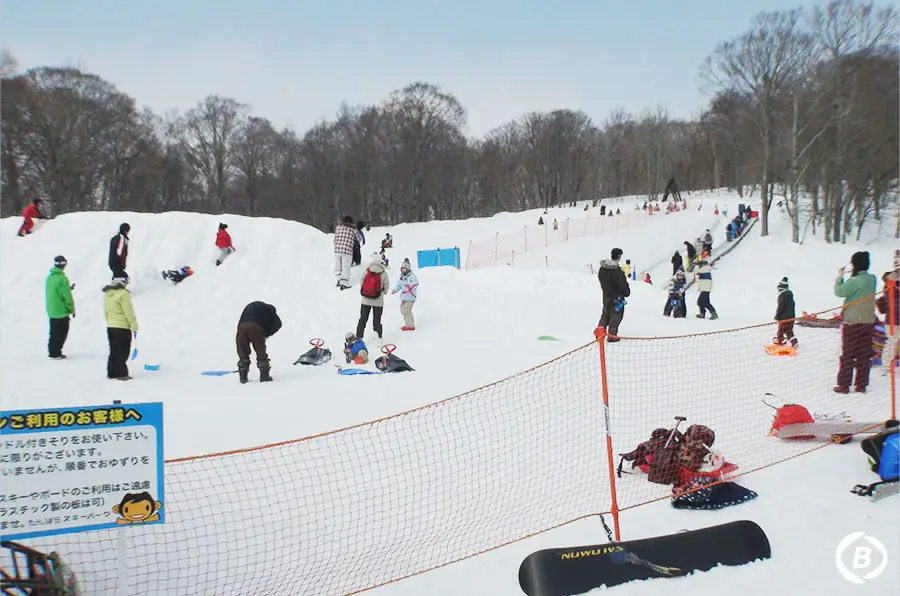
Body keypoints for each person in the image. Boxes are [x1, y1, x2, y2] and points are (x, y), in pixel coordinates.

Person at [834, 251, 877, 393]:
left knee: (848, 354)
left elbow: (839, 292)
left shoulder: (855, 281)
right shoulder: (872, 279)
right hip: (868, 321)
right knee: (864, 353)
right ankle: (861, 384)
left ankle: (844, 385)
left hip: (852, 322)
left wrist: (839, 277)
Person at [236, 301, 282, 384]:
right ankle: (264, 376)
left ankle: (243, 377)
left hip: (241, 327)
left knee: (242, 351)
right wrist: (266, 334)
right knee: (260, 352)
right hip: (256, 328)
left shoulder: (253, 306)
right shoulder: (271, 312)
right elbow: (278, 324)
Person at [103, 277, 138, 380]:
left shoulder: (107, 294)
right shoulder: (123, 294)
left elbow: (106, 311)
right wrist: (134, 325)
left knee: (114, 350)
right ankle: (121, 373)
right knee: (122, 351)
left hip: (111, 326)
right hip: (122, 327)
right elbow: (128, 312)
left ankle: (111, 372)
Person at [597, 248, 630, 342]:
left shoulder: (602, 268)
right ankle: (612, 336)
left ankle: (600, 333)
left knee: (605, 314)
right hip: (617, 298)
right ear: (619, 256)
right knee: (616, 317)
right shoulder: (617, 271)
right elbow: (623, 285)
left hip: (606, 296)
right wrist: (626, 292)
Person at [46, 255, 75, 359]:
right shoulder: (63, 279)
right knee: (62, 332)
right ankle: (56, 352)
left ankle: (52, 351)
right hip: (61, 311)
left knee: (53, 333)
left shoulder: (50, 278)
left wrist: (67, 288)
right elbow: (67, 297)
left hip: (52, 309)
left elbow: (55, 291)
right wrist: (71, 309)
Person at [357, 253, 390, 339]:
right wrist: (383, 292)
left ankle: (359, 337)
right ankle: (378, 338)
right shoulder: (383, 273)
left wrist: (366, 291)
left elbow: (362, 281)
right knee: (376, 321)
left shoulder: (367, 270)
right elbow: (386, 286)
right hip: (378, 301)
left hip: (365, 300)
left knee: (363, 319)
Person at [876, 270, 899, 373]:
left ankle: (888, 365)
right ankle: (886, 366)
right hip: (892, 321)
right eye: (892, 275)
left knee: (891, 342)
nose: (895, 275)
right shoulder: (889, 289)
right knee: (891, 343)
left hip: (893, 320)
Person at [391, 258, 419, 331]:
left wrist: (409, 285)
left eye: (405, 268)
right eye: (402, 268)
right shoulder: (402, 277)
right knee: (402, 310)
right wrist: (395, 290)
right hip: (404, 297)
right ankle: (408, 323)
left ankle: (410, 326)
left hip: (410, 297)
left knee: (406, 311)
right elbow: (399, 284)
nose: (403, 270)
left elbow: (415, 283)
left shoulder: (412, 276)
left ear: (408, 269)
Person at [334, 216, 358, 289]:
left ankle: (338, 279)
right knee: (346, 266)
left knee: (338, 265)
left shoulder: (338, 228)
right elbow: (359, 239)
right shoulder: (353, 230)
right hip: (347, 250)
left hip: (337, 249)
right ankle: (344, 283)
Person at [774, 277, 797, 347]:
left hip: (783, 319)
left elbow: (781, 307)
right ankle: (794, 342)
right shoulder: (790, 295)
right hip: (791, 318)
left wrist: (777, 316)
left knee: (780, 332)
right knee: (789, 331)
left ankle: (780, 342)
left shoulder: (782, 296)